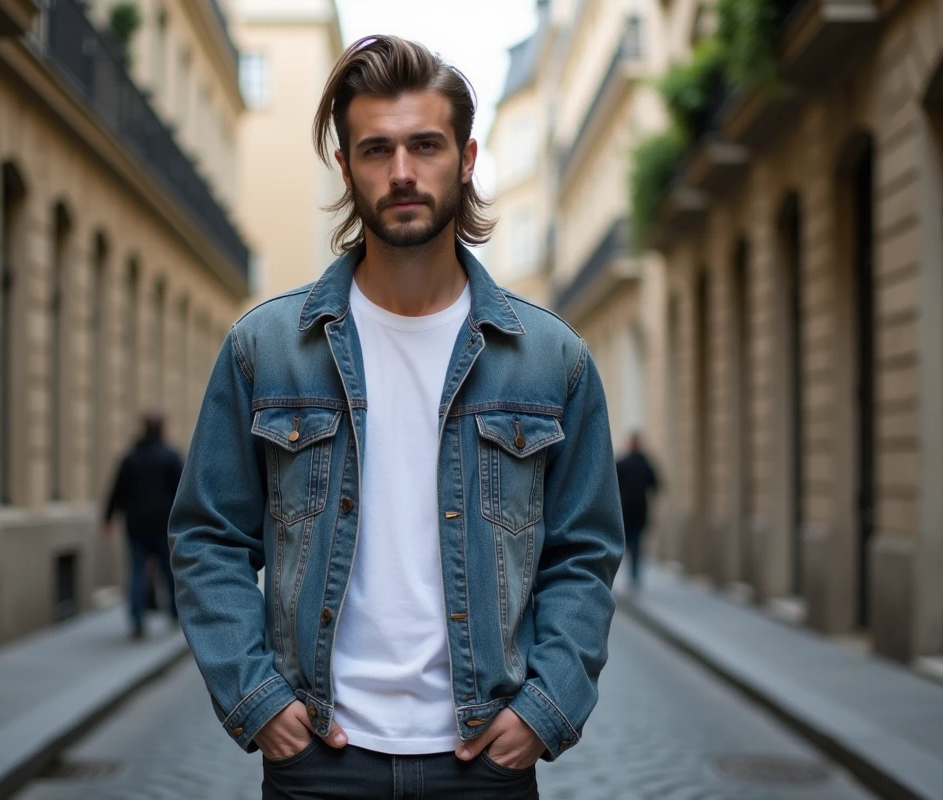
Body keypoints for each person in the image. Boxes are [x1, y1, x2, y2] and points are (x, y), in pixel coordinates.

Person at [169, 35, 624, 799]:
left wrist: (546, 709)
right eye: (376, 149)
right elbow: (208, 536)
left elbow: (583, 554)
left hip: (483, 762)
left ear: (468, 158)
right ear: (346, 169)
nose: (403, 172)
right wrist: (259, 701)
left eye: (426, 145)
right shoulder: (268, 349)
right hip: (318, 760)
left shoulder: (553, 360)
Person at [102, 412, 184, 639]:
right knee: (168, 571)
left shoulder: (130, 458)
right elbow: (183, 492)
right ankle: (176, 614)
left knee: (137, 572)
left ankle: (137, 621)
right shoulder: (171, 457)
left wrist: (107, 520)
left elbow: (116, 490)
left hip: (135, 524)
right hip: (164, 525)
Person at [615, 432, 662, 591]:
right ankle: (634, 576)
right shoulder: (645, 464)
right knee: (636, 544)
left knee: (629, 543)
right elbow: (656, 486)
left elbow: (611, 487)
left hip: (625, 511)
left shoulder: (622, 463)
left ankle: (631, 575)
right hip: (640, 510)